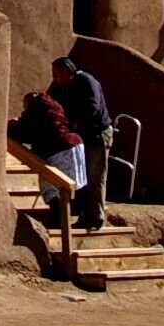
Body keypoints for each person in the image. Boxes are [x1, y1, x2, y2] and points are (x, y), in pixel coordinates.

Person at [48, 54, 113, 227]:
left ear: (67, 71)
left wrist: (74, 121)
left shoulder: (86, 81)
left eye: (56, 73)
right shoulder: (61, 86)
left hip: (98, 134)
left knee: (95, 175)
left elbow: (93, 107)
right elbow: (50, 102)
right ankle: (85, 214)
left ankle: (96, 217)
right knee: (83, 176)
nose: (54, 78)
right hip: (83, 137)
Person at [6, 88, 84, 217]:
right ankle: (77, 217)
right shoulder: (49, 106)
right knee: (74, 185)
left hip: (59, 150)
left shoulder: (35, 110)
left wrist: (10, 126)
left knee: (50, 186)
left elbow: (27, 132)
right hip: (74, 146)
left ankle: (60, 219)